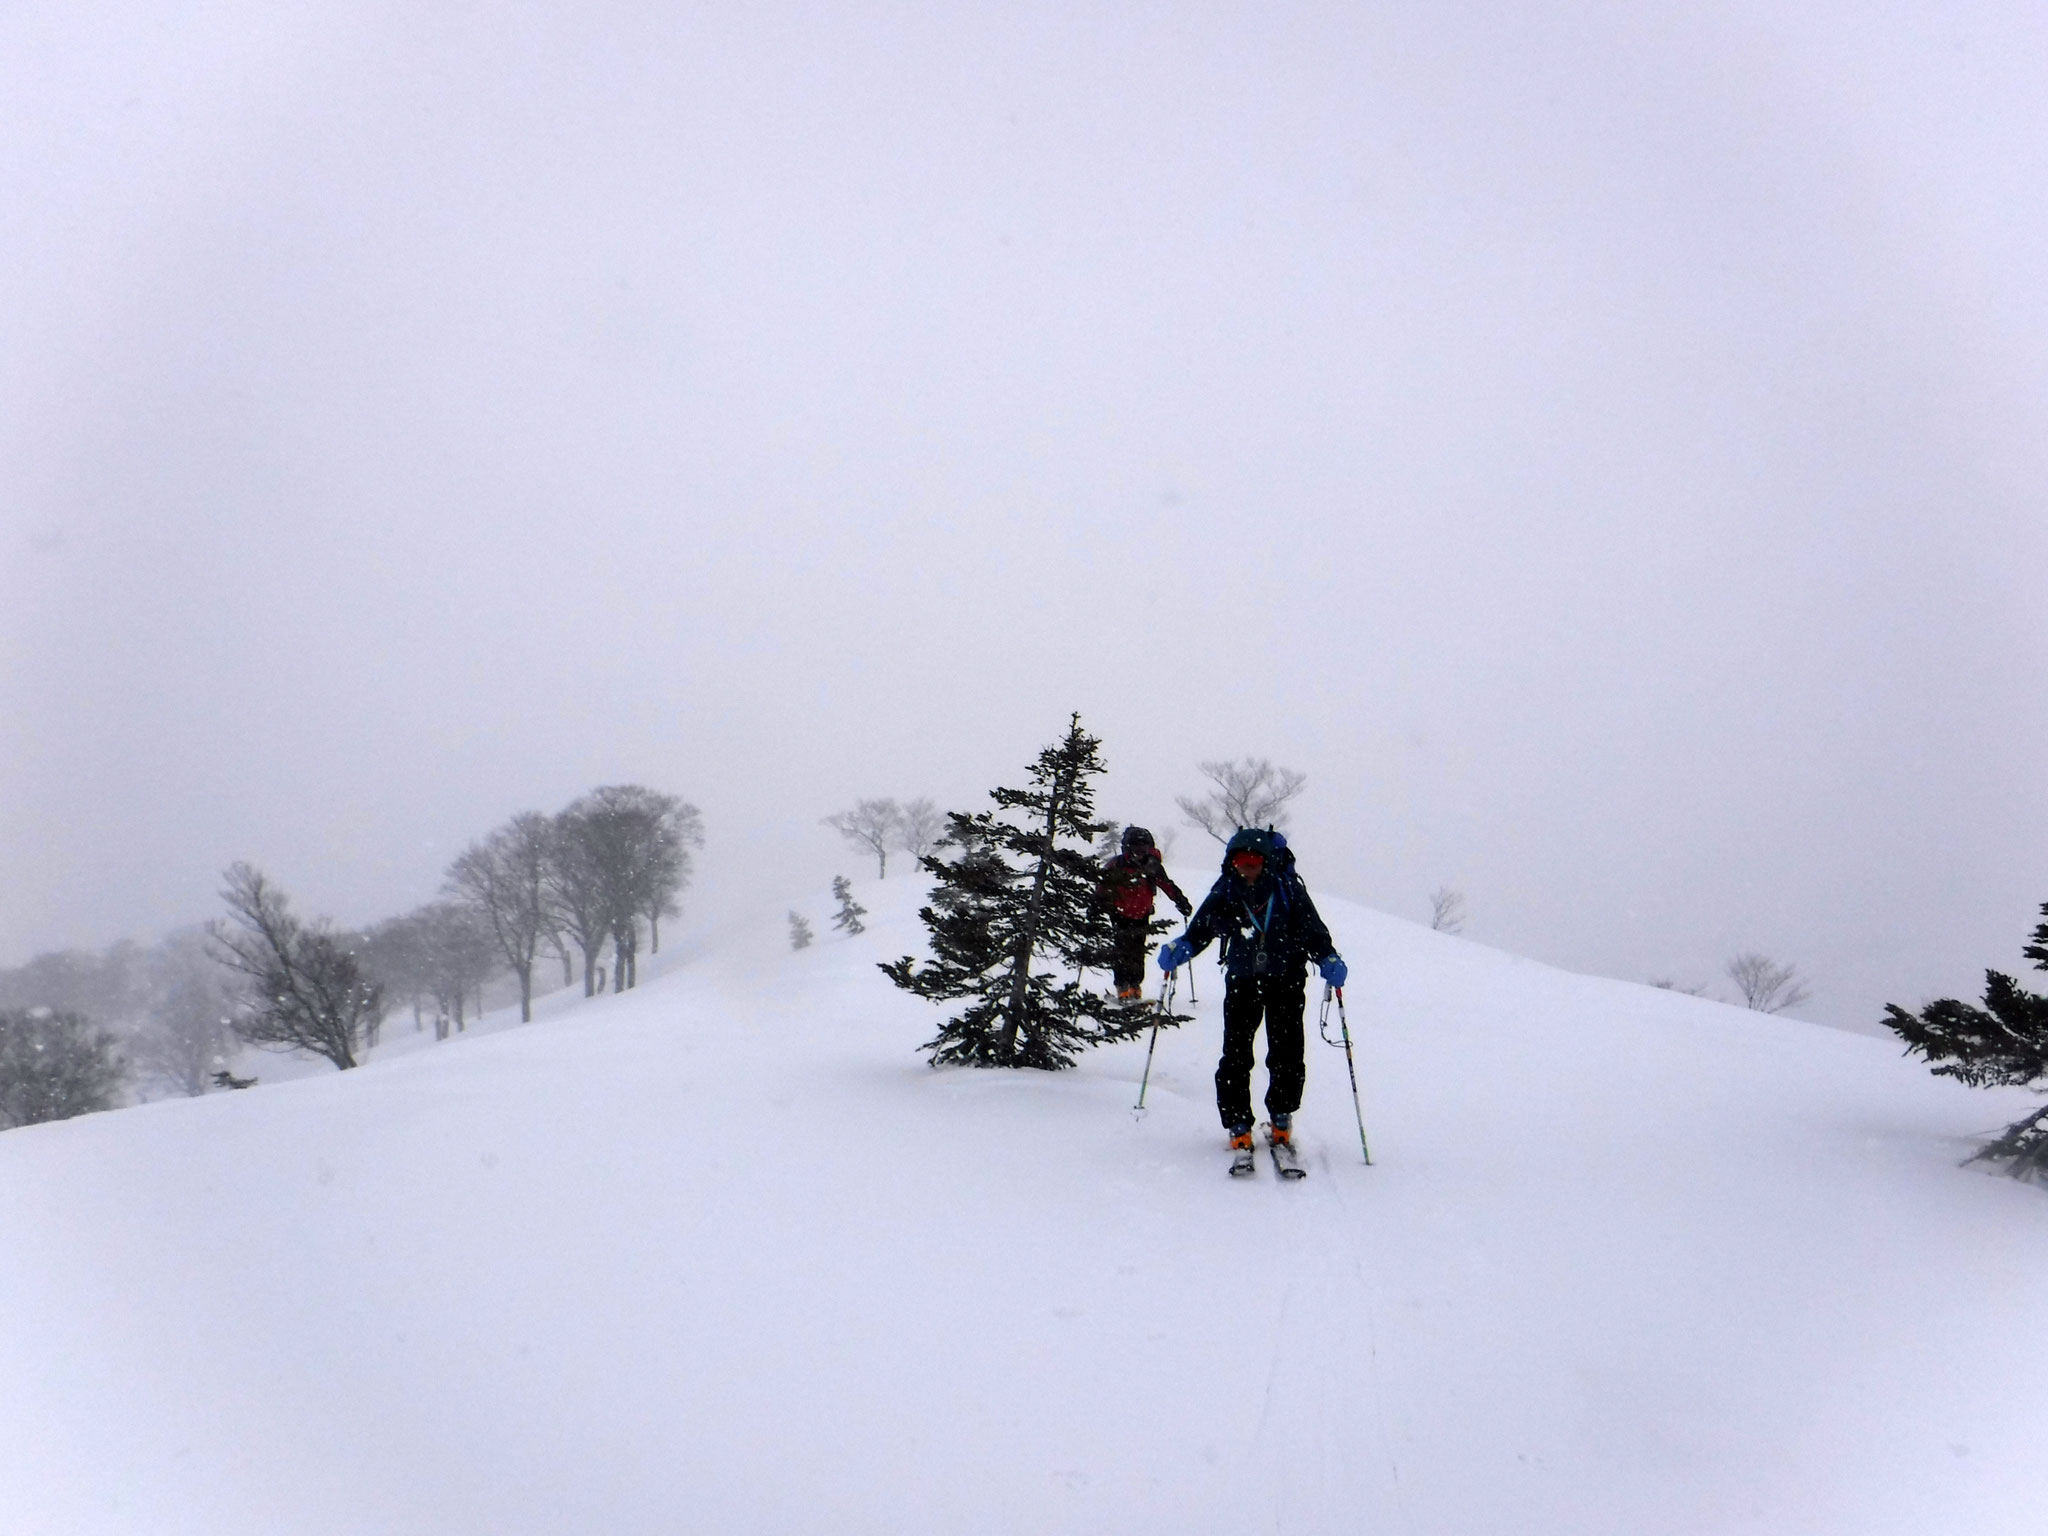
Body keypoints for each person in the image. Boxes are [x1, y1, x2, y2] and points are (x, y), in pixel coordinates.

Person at [1157, 826, 1346, 1157]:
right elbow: (1201, 927)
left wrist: (1327, 957)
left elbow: (1313, 930)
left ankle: (1281, 1114)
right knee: (1236, 1054)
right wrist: (1183, 945)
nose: (1247, 866)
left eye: (1254, 860)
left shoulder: (1287, 889)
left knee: (1287, 1052)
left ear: (1267, 861)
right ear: (1232, 862)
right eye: (1241, 860)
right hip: (1243, 980)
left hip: (1286, 980)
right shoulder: (1226, 889)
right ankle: (1238, 1122)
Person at [1097, 826, 1192, 1006]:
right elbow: (1103, 886)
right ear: (1127, 848)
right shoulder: (1117, 865)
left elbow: (1166, 884)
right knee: (1121, 949)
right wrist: (1096, 905)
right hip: (1119, 913)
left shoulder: (1152, 865)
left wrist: (1180, 900)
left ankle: (1135, 985)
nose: (1140, 852)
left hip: (1141, 913)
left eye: (1144, 848)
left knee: (1138, 950)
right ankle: (1122, 986)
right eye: (1136, 848)